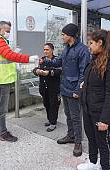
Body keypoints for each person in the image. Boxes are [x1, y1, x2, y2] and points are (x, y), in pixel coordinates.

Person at [40, 23, 90, 157]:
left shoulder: (82, 50)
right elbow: (58, 62)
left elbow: (83, 73)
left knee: (75, 117)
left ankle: (78, 142)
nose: (62, 36)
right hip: (65, 88)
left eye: (63, 34)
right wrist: (45, 61)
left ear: (70, 35)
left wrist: (78, 91)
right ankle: (71, 135)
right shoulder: (66, 48)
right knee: (68, 115)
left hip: (74, 89)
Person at [77, 30, 110, 170]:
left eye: (91, 43)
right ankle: (92, 162)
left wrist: (105, 119)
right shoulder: (95, 58)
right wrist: (84, 85)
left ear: (100, 43)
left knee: (102, 141)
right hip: (88, 107)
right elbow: (93, 80)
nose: (89, 46)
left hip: (100, 111)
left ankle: (105, 167)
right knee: (91, 138)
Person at [0, 21, 38, 142]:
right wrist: (28, 59)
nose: (8, 33)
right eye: (7, 30)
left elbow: (4, 55)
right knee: (2, 108)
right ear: (0, 29)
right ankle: (3, 133)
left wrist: (14, 53)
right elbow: (8, 55)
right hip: (1, 78)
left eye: (9, 31)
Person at [33, 43, 62, 132]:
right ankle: (50, 119)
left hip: (54, 87)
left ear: (52, 50)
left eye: (47, 49)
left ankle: (53, 122)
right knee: (47, 104)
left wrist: (48, 73)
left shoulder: (57, 60)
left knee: (54, 105)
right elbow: (34, 69)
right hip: (44, 87)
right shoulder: (41, 60)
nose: (45, 51)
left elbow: (60, 71)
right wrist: (37, 71)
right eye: (44, 49)